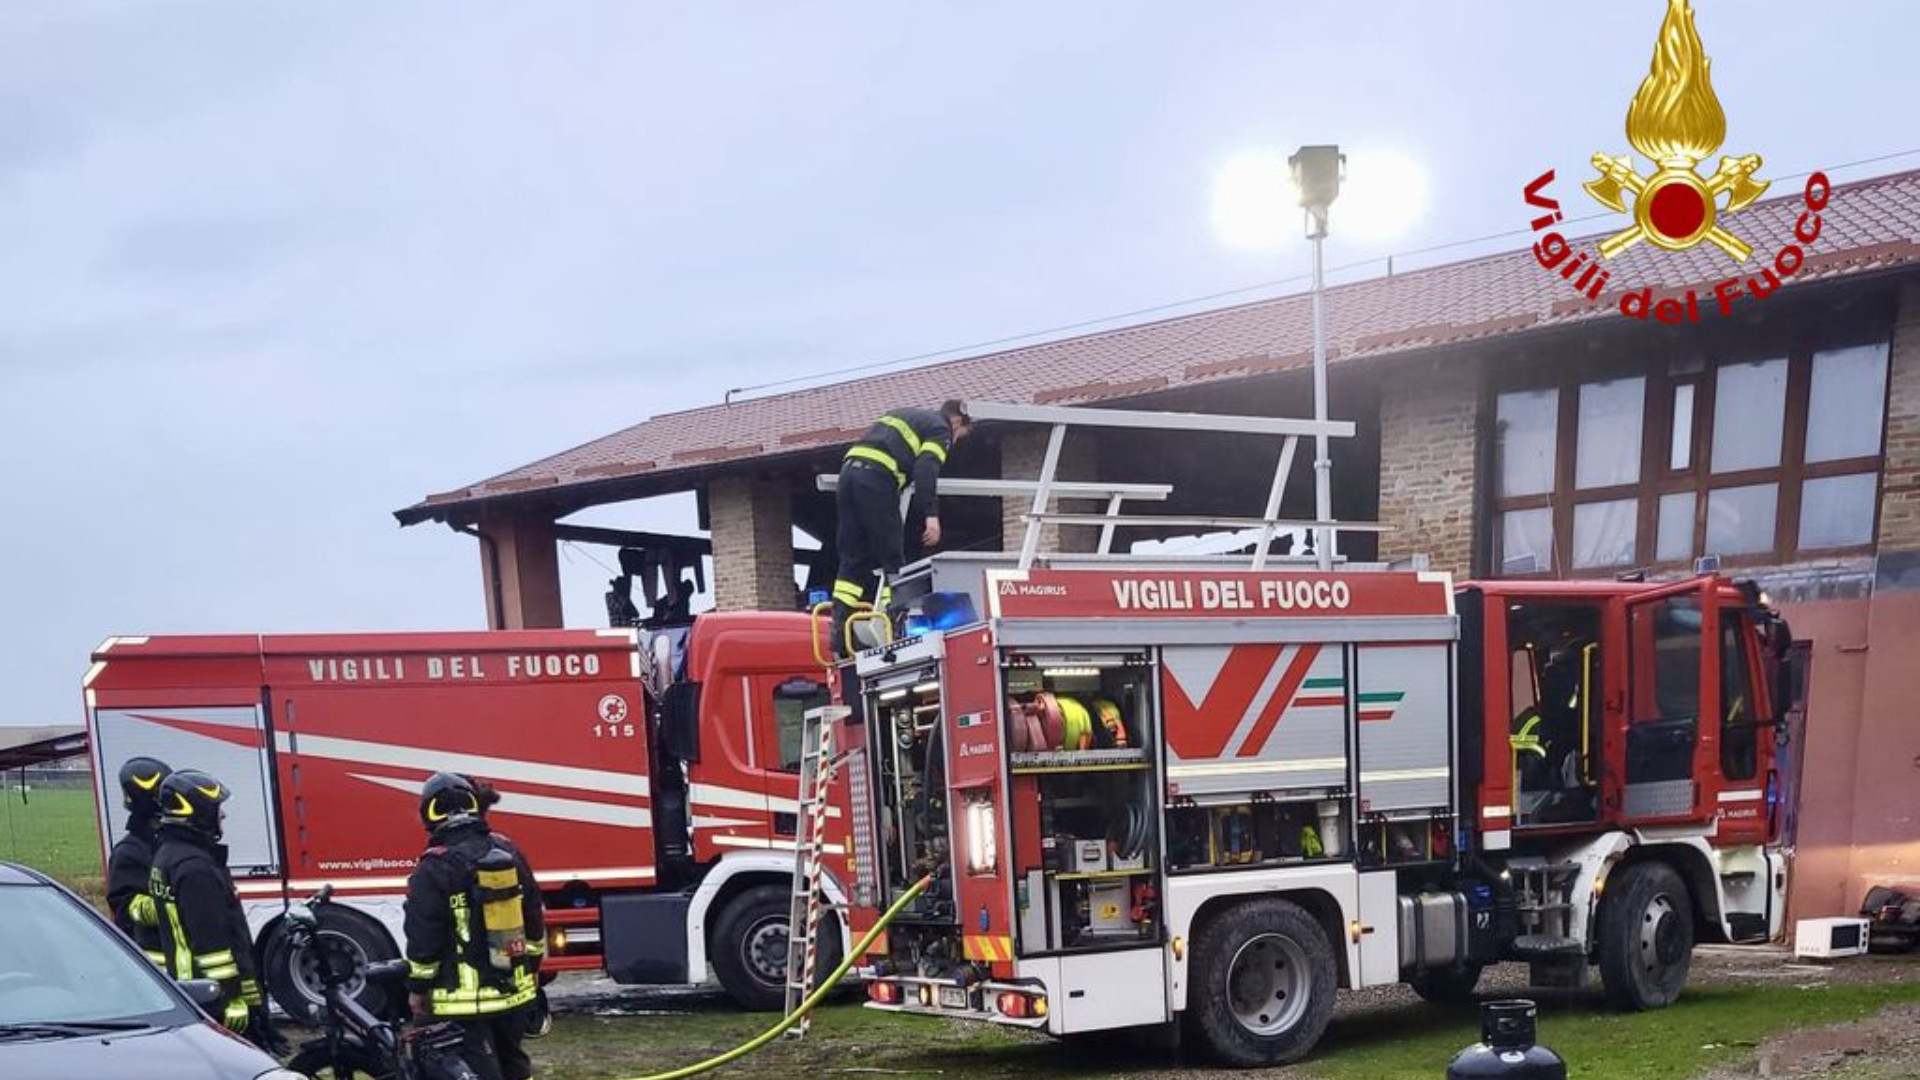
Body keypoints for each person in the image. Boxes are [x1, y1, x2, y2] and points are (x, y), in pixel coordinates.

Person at [404, 772, 545, 1080]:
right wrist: (532, 968)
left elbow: (424, 938)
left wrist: (418, 989)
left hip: (464, 1005)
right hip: (515, 993)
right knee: (516, 1067)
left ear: (429, 812)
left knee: (481, 1072)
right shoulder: (508, 851)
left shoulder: (434, 866)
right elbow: (533, 916)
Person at [150, 769, 281, 1053]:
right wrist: (232, 999)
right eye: (217, 808)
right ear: (198, 812)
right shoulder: (195, 868)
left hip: (190, 987)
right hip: (210, 996)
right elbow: (213, 945)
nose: (223, 816)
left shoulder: (168, 854)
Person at [832, 399, 972, 655]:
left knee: (853, 558)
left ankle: (838, 633)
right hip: (877, 480)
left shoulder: (903, 414)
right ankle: (893, 625)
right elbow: (926, 468)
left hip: (848, 475)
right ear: (957, 421)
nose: (955, 441)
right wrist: (931, 514)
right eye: (960, 436)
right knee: (892, 558)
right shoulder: (940, 429)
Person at [106, 756, 172, 968]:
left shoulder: (165, 842)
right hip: (154, 967)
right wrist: (178, 906)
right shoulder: (130, 852)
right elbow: (125, 909)